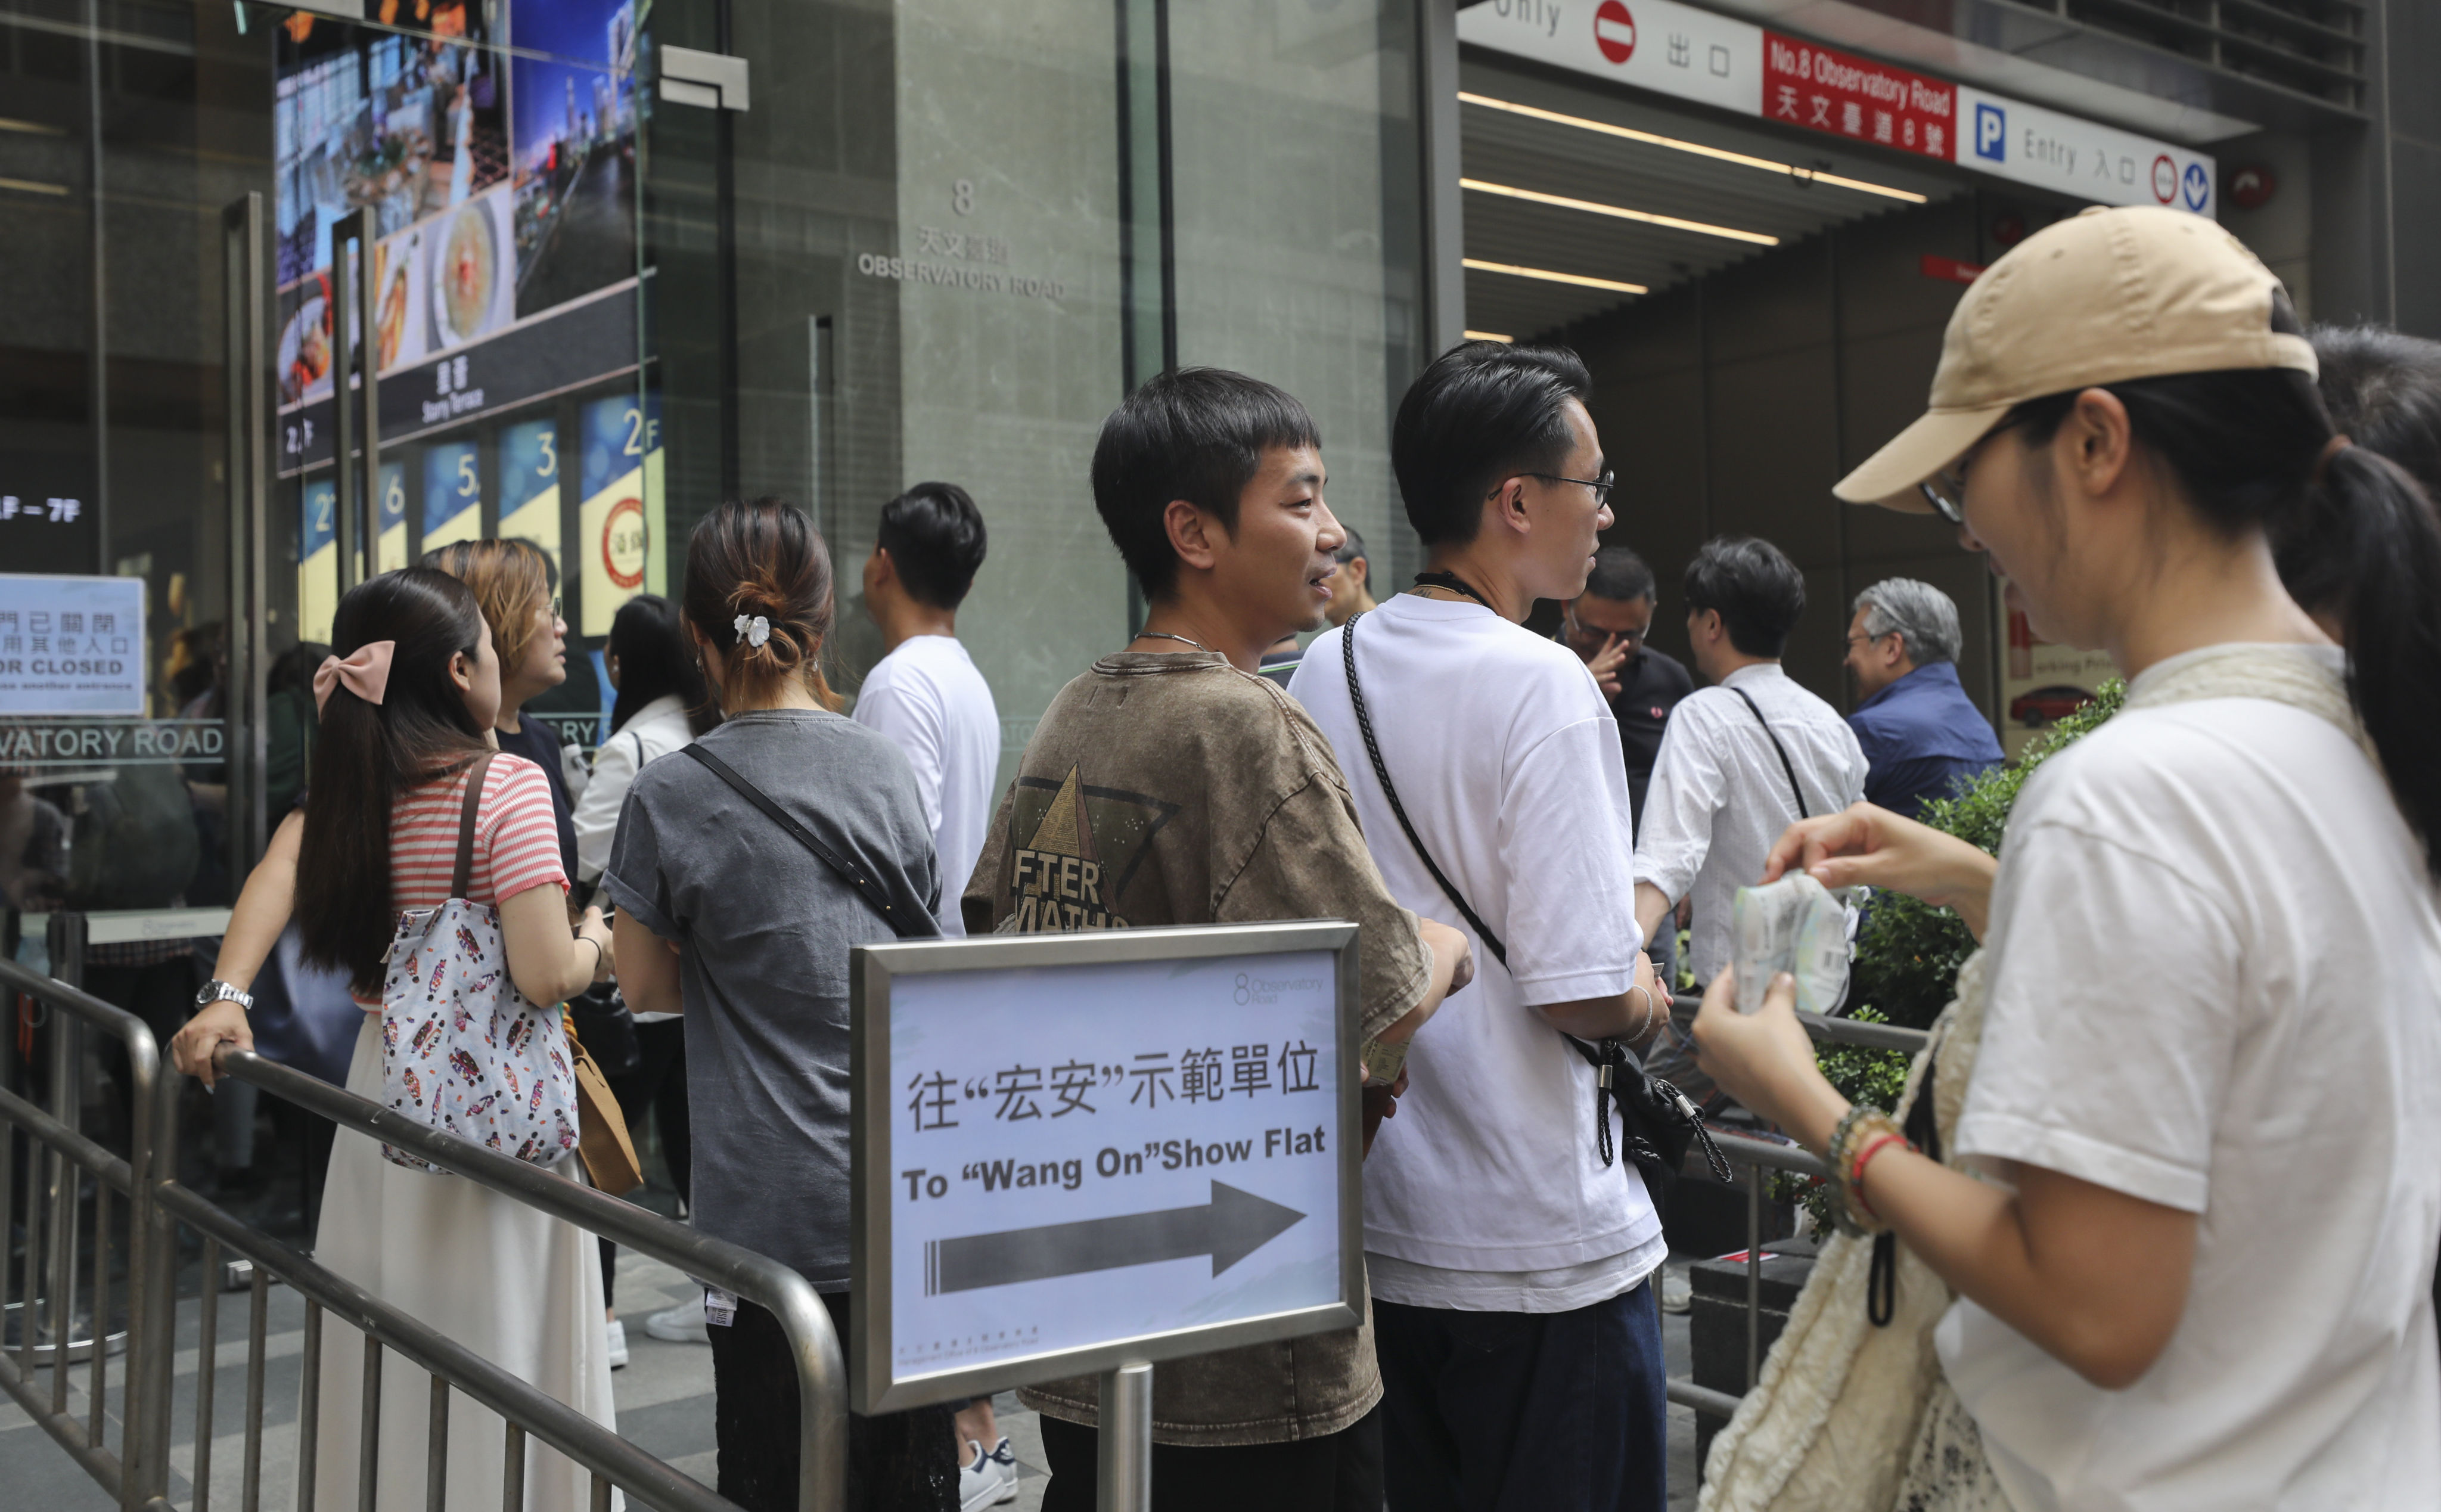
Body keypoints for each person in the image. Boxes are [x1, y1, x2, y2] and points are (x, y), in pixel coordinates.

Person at [1692, 205, 2441, 1507]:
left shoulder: (2126, 794)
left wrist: (1815, 1105)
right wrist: (1976, 879)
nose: (1965, 527)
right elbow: (2254, 1014)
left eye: (1958, 477)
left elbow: (2095, 1306)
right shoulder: (2362, 727)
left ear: (2093, 440)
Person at [964, 367, 1474, 1512]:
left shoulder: (1073, 708)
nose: (1333, 533)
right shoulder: (1249, 726)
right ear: (1192, 531)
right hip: (1252, 1345)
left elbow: (991, 935)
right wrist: (1447, 948)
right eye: (1298, 501)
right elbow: (1382, 995)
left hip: (1094, 1324)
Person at [1289, 341, 1671, 1512]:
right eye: (1591, 484)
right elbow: (1580, 986)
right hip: (1542, 1245)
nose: (1603, 513)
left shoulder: (1321, 669)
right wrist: (1650, 994)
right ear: (1515, 501)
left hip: (1386, 1231)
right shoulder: (1543, 682)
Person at [170, 566, 619, 1512]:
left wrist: (225, 993)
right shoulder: (509, 785)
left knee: (394, 1339)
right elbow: (544, 976)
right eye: (489, 650)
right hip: (494, 1103)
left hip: (384, 1092)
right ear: (462, 671)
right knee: (503, 1347)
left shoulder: (354, 786)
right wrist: (595, 940)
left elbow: (275, 869)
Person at [603, 497, 957, 1512]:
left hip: (763, 1220)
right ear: (822, 616)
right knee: (904, 1480)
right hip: (899, 1199)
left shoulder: (668, 795)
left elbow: (643, 986)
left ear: (697, 636)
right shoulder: (887, 770)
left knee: (776, 1474)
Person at [569, 593, 710, 1364]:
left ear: (622, 662)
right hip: (693, 984)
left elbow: (587, 857)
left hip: (627, 983)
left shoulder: (631, 748)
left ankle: (608, 1315)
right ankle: (715, 1291)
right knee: (693, 1149)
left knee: (607, 1155)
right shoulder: (702, 731)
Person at [1633, 536, 1865, 990]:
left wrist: (1625, 952)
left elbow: (1668, 855)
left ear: (1713, 623)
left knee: (1648, 1065)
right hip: (1821, 984)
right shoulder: (1833, 724)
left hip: (1737, 993)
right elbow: (1857, 848)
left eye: (1692, 612)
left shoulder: (1702, 715)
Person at [852, 480, 1000, 936]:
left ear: (882, 565)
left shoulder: (898, 683)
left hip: (913, 971)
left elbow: (900, 855)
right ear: (968, 583)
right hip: (949, 964)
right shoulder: (969, 680)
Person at [424, 538, 581, 880]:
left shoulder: (542, 739)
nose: (561, 626)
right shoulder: (430, 754)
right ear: (489, 625)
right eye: (546, 607)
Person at [1841, 578, 2002, 819]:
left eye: (1853, 643)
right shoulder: (1982, 731)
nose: (1847, 660)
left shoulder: (1874, 730)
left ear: (1892, 648)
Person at [1560, 545, 1692, 837]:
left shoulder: (1670, 679)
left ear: (1650, 615)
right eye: (1593, 633)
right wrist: (1578, 693)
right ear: (1566, 606)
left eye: (1630, 636)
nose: (1612, 649)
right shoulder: (1535, 669)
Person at [1320, 524, 1378, 627]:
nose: (1313, 579)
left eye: (1323, 565)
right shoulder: (1329, 642)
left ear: (1358, 570)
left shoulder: (1397, 637)